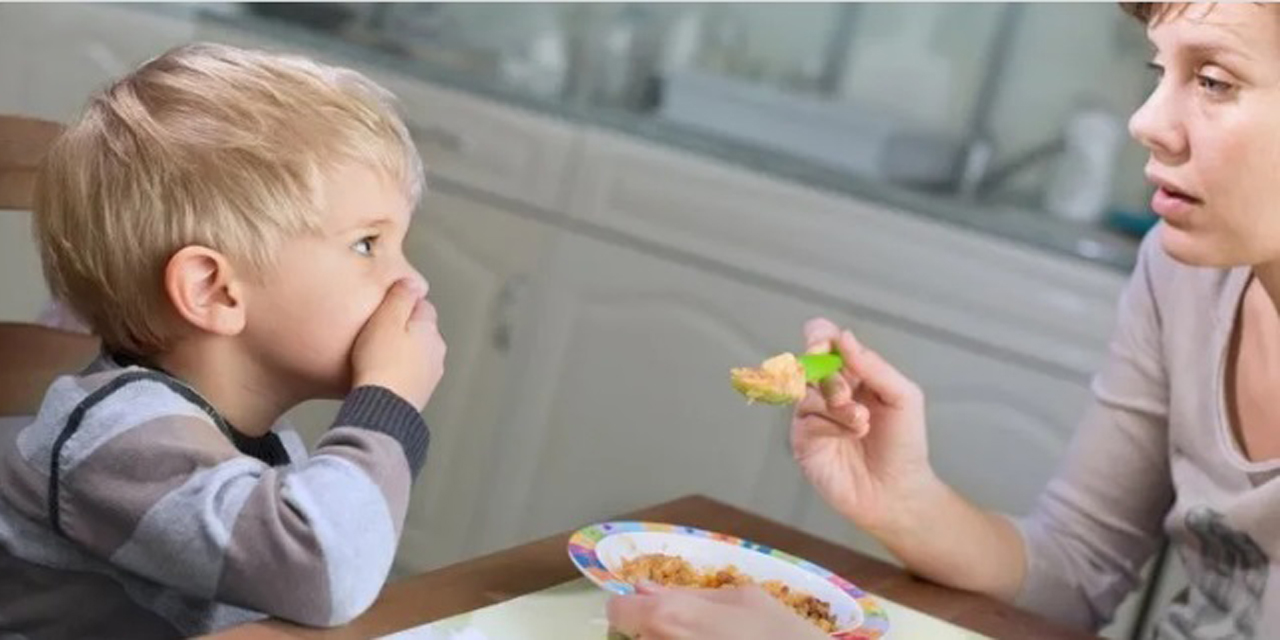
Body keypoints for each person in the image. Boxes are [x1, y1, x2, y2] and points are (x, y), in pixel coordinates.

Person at [609, 3, 1280, 638]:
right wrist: (905, 502)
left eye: (1215, 80)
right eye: (1161, 73)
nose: (1147, 121)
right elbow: (1077, 567)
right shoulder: (1183, 276)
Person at [0, 43, 446, 637]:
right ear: (214, 291)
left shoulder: (240, 435)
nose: (411, 281)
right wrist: (386, 401)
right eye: (367, 244)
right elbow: (328, 572)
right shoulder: (118, 440)